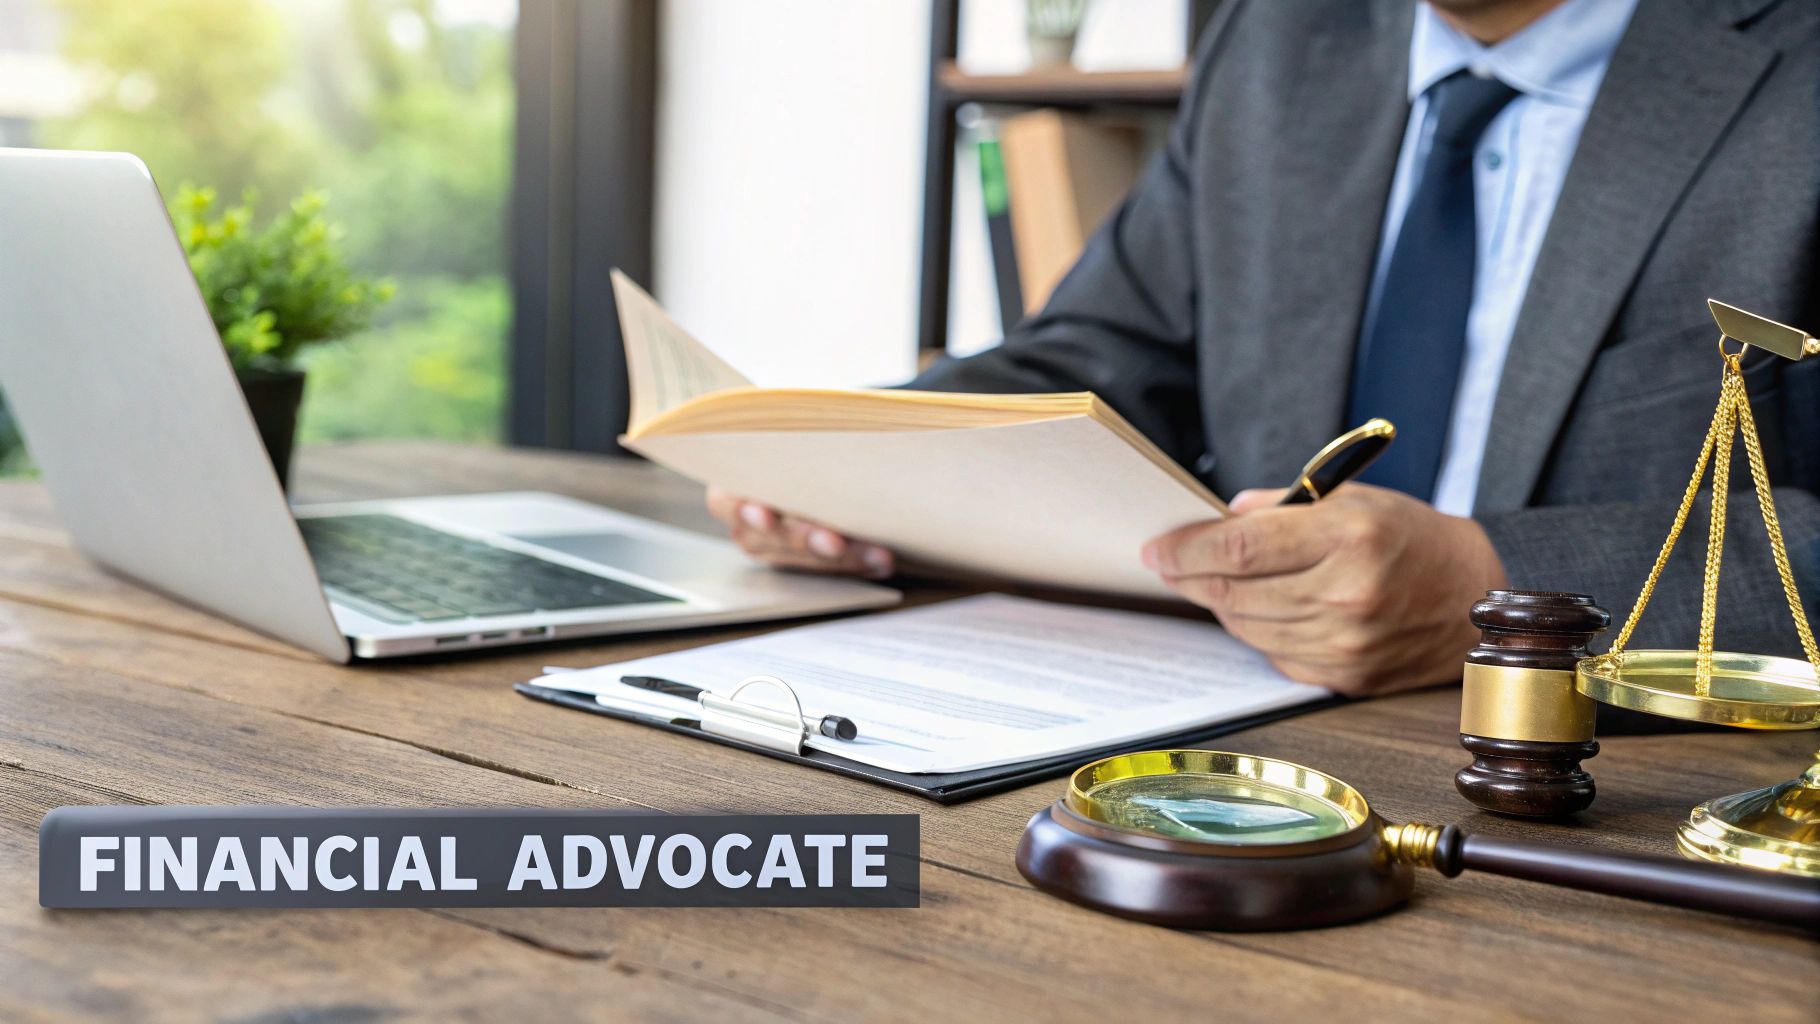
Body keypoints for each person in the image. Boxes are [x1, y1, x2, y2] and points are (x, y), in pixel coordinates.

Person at [707, 0, 1820, 697]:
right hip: (1233, 743)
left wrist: (1500, 589)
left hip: (1638, 811)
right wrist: (856, 453)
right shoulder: (1281, 35)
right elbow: (1106, 352)